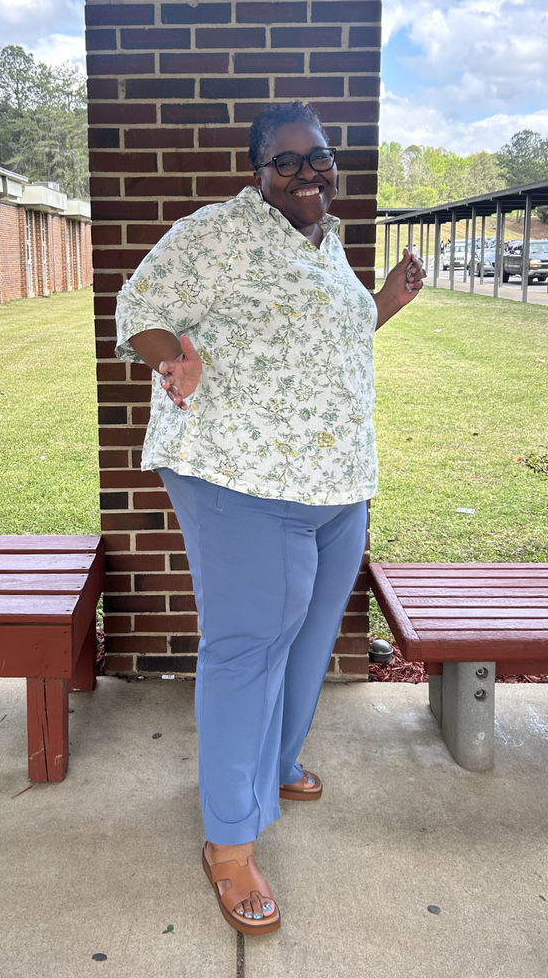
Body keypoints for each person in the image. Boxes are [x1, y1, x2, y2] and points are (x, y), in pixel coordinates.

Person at [114, 102, 424, 936]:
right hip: (239, 472)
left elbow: (335, 334)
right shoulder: (215, 233)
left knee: (310, 637)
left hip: (337, 479)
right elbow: (139, 311)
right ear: (257, 172)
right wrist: (173, 360)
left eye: (317, 158)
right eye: (286, 162)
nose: (306, 174)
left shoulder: (328, 244)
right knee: (247, 649)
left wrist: (385, 301)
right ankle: (229, 840)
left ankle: (274, 764)